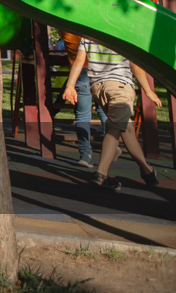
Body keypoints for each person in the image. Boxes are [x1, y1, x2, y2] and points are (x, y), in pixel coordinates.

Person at [62, 39, 161, 189]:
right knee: (115, 127)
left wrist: (70, 85)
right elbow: (135, 66)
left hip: (98, 88)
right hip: (120, 86)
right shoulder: (123, 35)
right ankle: (101, 173)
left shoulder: (87, 36)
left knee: (126, 127)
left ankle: (147, 171)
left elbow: (79, 61)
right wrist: (148, 91)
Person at [62, 32, 108, 167]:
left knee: (82, 115)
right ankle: (111, 147)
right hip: (100, 71)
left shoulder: (66, 31)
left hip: (80, 73)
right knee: (104, 111)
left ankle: (85, 155)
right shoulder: (94, 33)